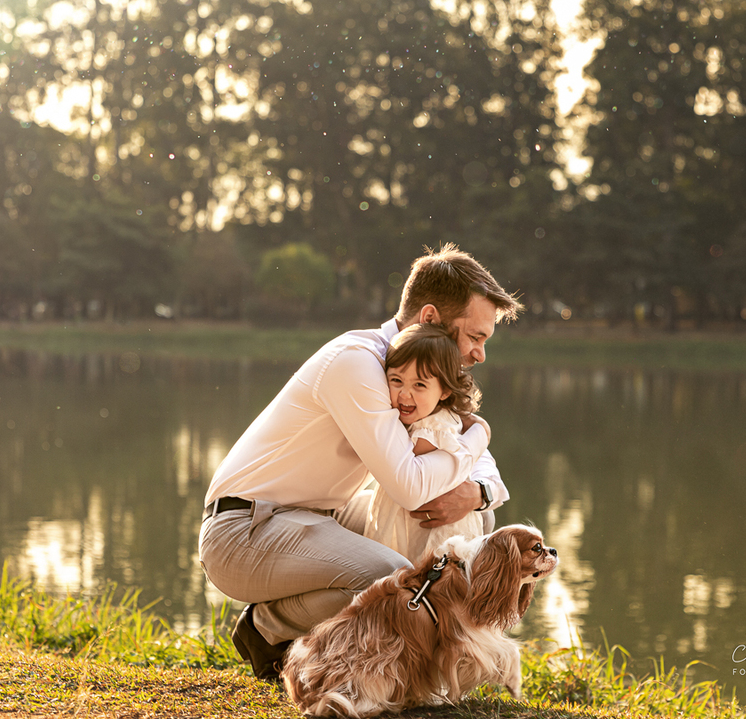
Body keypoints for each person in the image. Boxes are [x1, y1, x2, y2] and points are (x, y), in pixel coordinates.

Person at [199, 243, 521, 679]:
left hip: (317, 519)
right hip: (245, 529)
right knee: (394, 576)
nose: (480, 353)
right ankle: (267, 629)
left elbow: (469, 457)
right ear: (429, 319)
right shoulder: (359, 363)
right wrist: (479, 434)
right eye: (476, 336)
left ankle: (401, 661)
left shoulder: (419, 379)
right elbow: (411, 484)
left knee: (467, 538)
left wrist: (478, 493)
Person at [366, 323, 486, 563]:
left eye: (419, 385)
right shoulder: (435, 416)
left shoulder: (430, 431)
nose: (405, 394)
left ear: (444, 390)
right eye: (396, 380)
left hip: (429, 532)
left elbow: (398, 472)